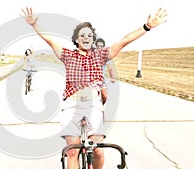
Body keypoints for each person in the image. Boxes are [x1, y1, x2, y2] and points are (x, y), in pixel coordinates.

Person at [21, 7, 167, 169]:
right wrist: (35, 26)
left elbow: (124, 41)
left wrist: (146, 26)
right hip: (72, 106)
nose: (86, 38)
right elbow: (50, 40)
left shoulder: (100, 55)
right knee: (72, 152)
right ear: (76, 39)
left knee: (98, 152)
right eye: (82, 35)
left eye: (89, 36)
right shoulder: (68, 55)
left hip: (94, 106)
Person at [94, 38, 116, 105]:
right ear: (96, 46)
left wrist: (112, 78)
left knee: (104, 96)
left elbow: (110, 68)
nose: (99, 47)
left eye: (101, 46)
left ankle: (102, 106)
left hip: (102, 80)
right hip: (92, 80)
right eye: (98, 46)